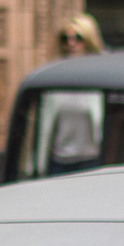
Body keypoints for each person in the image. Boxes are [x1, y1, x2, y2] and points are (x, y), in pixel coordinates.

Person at [44, 13, 104, 176]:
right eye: (65, 38)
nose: (71, 43)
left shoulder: (100, 77)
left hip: (92, 162)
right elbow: (45, 126)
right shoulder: (55, 78)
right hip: (59, 163)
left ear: (88, 41)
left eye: (77, 38)